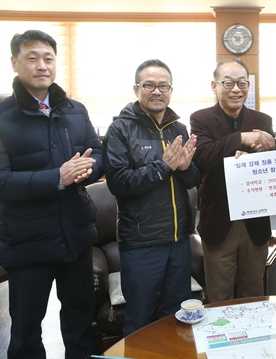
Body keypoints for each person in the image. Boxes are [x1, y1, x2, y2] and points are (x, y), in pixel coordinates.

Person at [0, 30, 102, 358]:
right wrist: (57, 177)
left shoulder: (75, 110)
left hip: (75, 235)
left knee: (82, 323)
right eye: (32, 58)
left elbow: (98, 155)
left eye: (48, 58)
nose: (42, 65)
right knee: (26, 331)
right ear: (15, 63)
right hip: (27, 242)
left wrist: (90, 169)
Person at [102, 59, 200, 336]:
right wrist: (163, 167)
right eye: (149, 85)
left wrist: (185, 168)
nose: (157, 91)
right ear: (137, 89)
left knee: (176, 316)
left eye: (163, 86)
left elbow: (193, 180)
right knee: (140, 320)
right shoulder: (120, 130)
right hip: (141, 242)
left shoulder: (178, 129)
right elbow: (118, 183)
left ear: (171, 90)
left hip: (178, 240)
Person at [190, 59, 276, 303]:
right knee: (220, 297)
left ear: (248, 85)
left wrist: (257, 154)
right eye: (228, 83)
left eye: (242, 83)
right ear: (214, 86)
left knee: (254, 294)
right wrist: (242, 138)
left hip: (255, 221)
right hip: (219, 221)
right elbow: (203, 156)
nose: (236, 89)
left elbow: (274, 161)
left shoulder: (263, 120)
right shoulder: (201, 119)